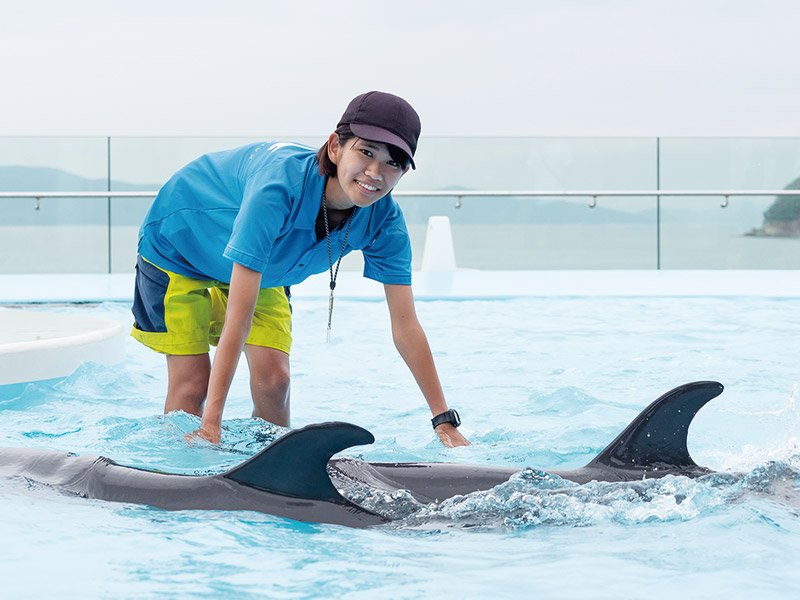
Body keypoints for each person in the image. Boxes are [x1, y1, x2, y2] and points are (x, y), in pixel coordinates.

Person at [131, 91, 470, 448]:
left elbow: (406, 327)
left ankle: (270, 469)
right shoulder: (277, 189)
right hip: (178, 248)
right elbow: (240, 316)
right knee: (192, 384)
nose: (375, 173)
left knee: (275, 381)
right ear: (335, 146)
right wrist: (210, 424)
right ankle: (178, 472)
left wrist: (443, 422)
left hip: (263, 269)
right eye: (366, 152)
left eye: (394, 163)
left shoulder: (385, 221)